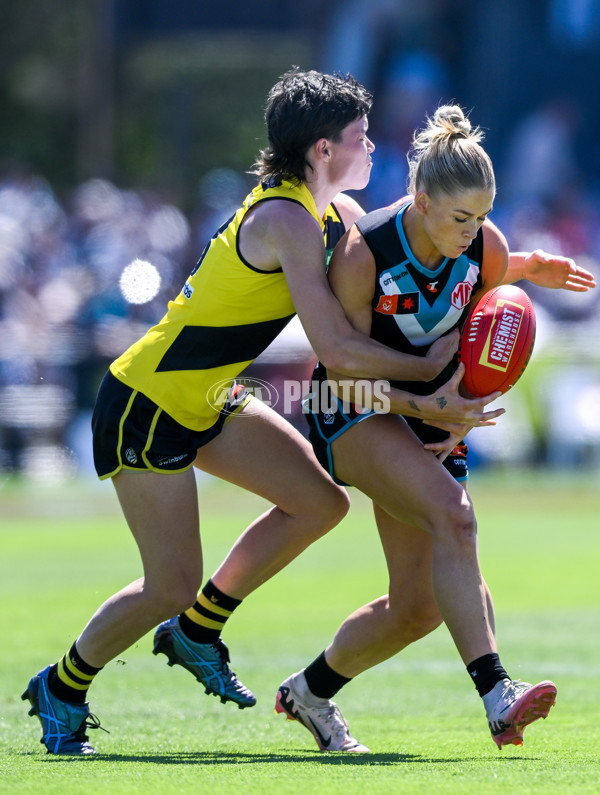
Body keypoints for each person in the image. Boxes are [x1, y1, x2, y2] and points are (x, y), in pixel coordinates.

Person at [22, 70, 507, 756]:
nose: (371, 148)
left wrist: (517, 270)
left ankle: (198, 629)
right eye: (360, 138)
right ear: (320, 150)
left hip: (211, 397)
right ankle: (64, 685)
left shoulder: (325, 214)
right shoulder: (285, 219)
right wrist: (432, 373)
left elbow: (400, 259)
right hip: (148, 402)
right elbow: (336, 347)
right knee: (170, 582)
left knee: (319, 501)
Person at [272, 105, 596, 752]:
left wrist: (534, 266)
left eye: (482, 217)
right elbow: (342, 372)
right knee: (457, 515)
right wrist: (429, 407)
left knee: (417, 608)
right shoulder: (366, 255)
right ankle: (499, 694)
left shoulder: (481, 243)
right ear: (421, 201)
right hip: (352, 412)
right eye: (460, 218)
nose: (473, 232)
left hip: (426, 414)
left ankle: (308, 692)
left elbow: (493, 292)